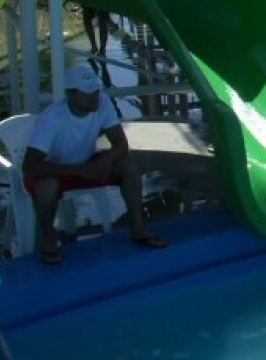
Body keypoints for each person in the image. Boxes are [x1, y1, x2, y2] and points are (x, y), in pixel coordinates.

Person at [22, 64, 167, 263]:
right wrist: (77, 169)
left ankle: (138, 228)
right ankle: (48, 238)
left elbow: (121, 144)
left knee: (128, 164)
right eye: (87, 92)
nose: (94, 96)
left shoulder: (103, 103)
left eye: (96, 90)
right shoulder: (52, 118)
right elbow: (30, 166)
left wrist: (108, 157)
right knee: (46, 186)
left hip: (86, 164)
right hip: (57, 169)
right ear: (71, 94)